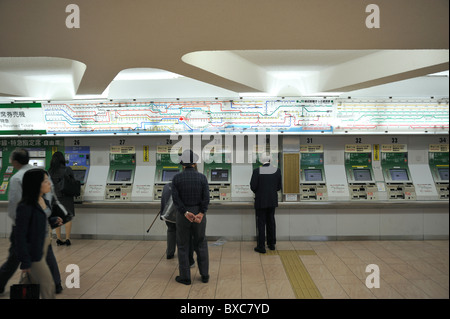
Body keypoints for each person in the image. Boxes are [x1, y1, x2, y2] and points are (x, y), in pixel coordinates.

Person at [0, 149, 63, 295]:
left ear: (14, 162)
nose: (48, 184)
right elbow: (49, 201)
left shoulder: (17, 178)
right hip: (41, 225)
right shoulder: (41, 174)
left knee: (15, 257)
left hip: (26, 226)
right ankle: (56, 284)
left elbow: (14, 208)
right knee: (44, 254)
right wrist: (46, 217)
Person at [15, 168, 63, 299]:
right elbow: (20, 235)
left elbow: (41, 221)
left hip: (45, 243)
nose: (49, 184)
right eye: (46, 181)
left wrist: (53, 221)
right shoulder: (25, 206)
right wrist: (25, 262)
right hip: (34, 252)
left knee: (39, 286)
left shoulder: (43, 200)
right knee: (46, 285)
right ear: (36, 184)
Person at [171, 150, 210, 285]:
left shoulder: (176, 178)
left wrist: (186, 213)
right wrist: (201, 213)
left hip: (183, 216)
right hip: (199, 216)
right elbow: (206, 198)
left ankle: (185, 277)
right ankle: (204, 275)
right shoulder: (202, 178)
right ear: (194, 163)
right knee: (201, 244)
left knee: (182, 245)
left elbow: (176, 200)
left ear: (183, 164)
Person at [250, 155, 282, 254]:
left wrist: (259, 192)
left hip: (261, 201)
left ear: (261, 161)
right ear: (270, 160)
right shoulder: (277, 170)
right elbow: (278, 187)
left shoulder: (257, 171)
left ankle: (261, 246)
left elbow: (253, 186)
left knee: (261, 223)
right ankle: (271, 244)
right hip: (272, 200)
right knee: (271, 221)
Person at [160, 182, 194, 266]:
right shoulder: (183, 186)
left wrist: (162, 215)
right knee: (183, 234)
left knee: (171, 231)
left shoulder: (166, 187)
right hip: (180, 215)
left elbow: (163, 202)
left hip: (167, 215)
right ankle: (183, 255)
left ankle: (169, 253)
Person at [48, 151, 75, 246]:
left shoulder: (50, 171)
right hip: (66, 196)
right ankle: (67, 239)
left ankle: (59, 239)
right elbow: (73, 181)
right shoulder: (67, 169)